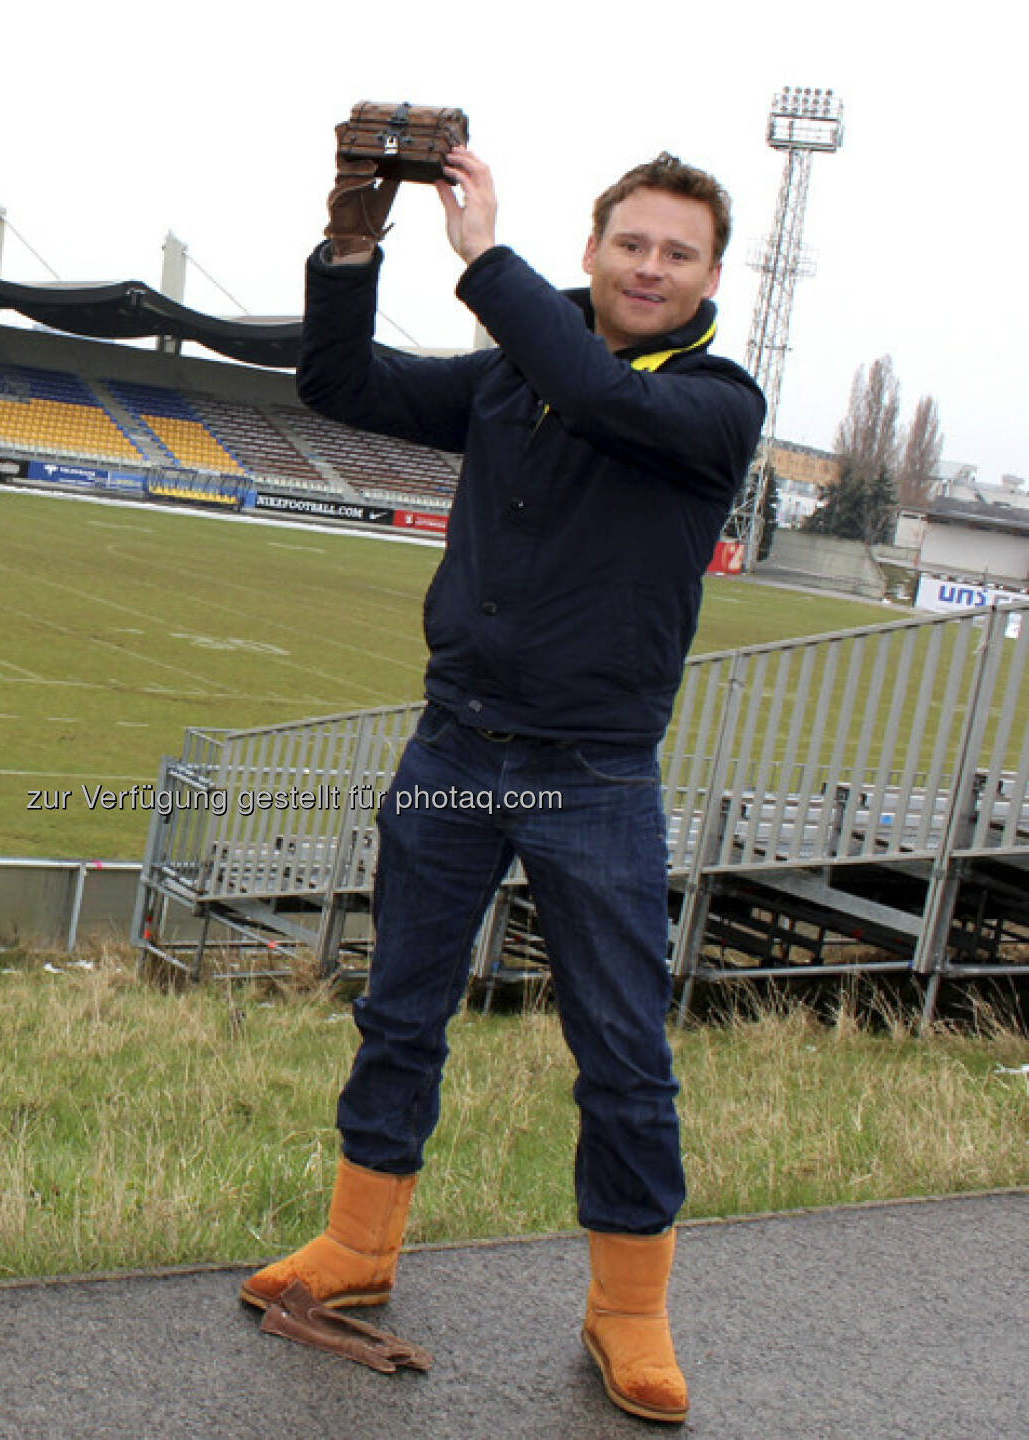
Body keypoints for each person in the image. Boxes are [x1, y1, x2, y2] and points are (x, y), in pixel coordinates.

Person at [238, 138, 765, 1425]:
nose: (649, 265)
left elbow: (598, 396)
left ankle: (627, 1311)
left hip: (594, 779)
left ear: (709, 277)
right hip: (455, 748)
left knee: (625, 1057)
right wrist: (354, 249)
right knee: (401, 1011)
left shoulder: (714, 401)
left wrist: (486, 259)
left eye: (676, 252)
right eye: (630, 242)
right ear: (592, 251)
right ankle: (358, 1248)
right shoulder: (512, 375)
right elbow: (341, 381)